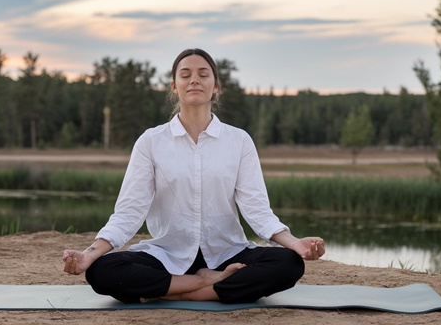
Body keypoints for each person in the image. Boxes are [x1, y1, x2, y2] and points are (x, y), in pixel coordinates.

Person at [63, 48, 325, 304]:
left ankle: (176, 291)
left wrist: (295, 244)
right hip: (168, 255)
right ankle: (205, 284)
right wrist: (89, 255)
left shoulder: (239, 141)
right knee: (101, 270)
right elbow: (129, 212)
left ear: (216, 86)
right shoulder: (151, 141)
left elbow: (257, 210)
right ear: (174, 86)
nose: (194, 80)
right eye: (185, 74)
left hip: (227, 252)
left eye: (203, 74)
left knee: (288, 264)